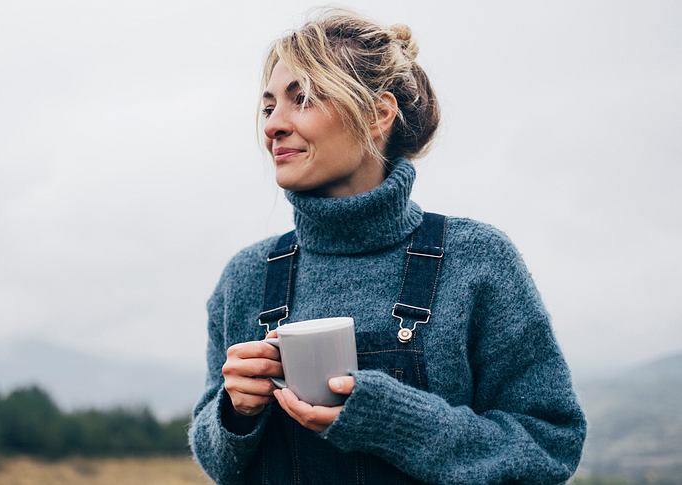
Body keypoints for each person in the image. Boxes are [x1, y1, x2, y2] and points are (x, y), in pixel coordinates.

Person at [188, 8, 586, 485]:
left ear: (378, 115)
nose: (274, 124)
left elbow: (549, 447)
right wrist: (235, 414)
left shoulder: (477, 259)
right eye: (270, 105)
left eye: (305, 98)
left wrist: (393, 420)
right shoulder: (247, 275)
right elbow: (218, 463)